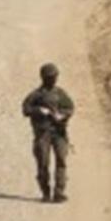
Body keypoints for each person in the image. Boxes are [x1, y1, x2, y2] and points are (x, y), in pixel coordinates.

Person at [22, 63, 74, 204]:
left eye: (55, 76)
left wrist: (62, 115)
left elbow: (70, 108)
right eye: (50, 77)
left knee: (61, 161)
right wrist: (39, 110)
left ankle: (59, 193)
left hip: (58, 133)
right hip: (42, 134)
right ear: (44, 77)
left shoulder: (60, 93)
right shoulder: (36, 95)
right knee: (43, 163)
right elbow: (26, 109)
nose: (53, 79)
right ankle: (45, 193)